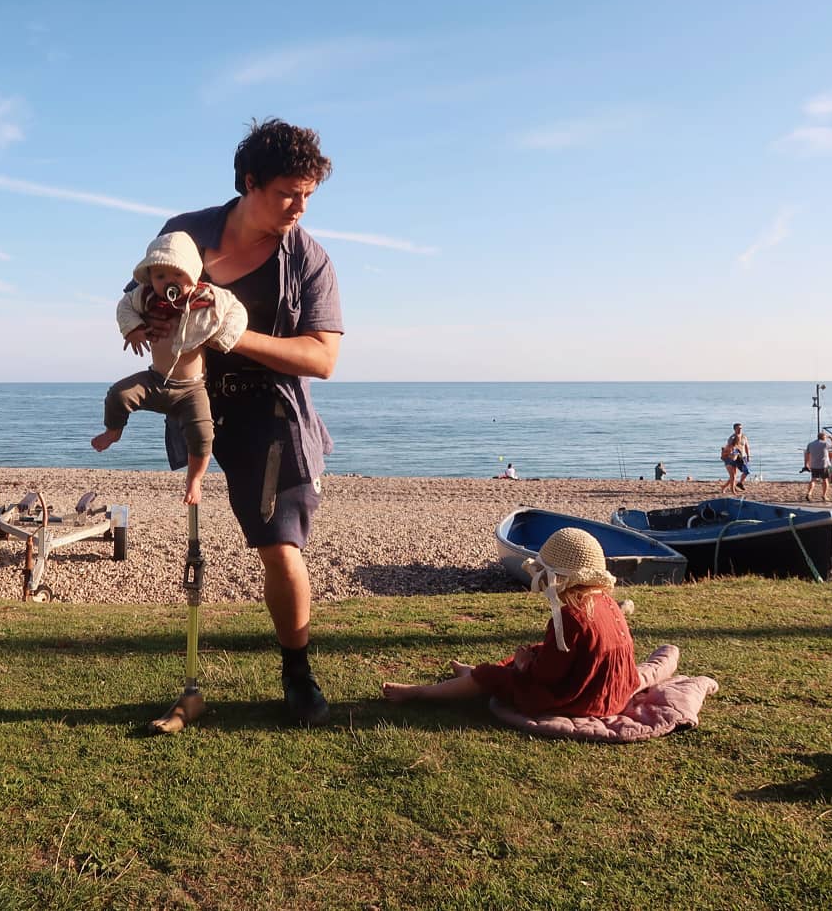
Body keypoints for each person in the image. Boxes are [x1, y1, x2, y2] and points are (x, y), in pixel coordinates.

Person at [139, 118, 341, 727]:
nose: (300, 207)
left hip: (271, 411)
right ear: (249, 182)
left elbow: (322, 358)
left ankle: (297, 673)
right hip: (197, 397)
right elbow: (146, 302)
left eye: (309, 194)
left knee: (280, 545)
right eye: (287, 192)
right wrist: (149, 325)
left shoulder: (308, 257)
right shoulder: (184, 236)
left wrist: (236, 333)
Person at [382, 528, 640, 719]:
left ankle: (421, 692)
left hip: (580, 701)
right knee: (538, 650)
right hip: (613, 695)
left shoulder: (570, 619)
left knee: (494, 675)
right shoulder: (605, 603)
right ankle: (470, 676)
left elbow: (546, 676)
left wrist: (522, 666)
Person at [91, 231, 248, 504]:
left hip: (191, 388)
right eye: (160, 276)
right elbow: (124, 306)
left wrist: (223, 338)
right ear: (150, 278)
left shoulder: (207, 298)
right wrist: (133, 329)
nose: (168, 283)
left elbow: (237, 311)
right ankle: (114, 430)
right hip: (155, 380)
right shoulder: (147, 298)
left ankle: (195, 479)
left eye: (177, 276)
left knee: (202, 434)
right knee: (118, 395)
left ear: (193, 274)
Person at [804, 430, 832, 501]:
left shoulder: (810, 444)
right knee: (825, 480)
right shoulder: (825, 444)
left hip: (814, 465)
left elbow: (807, 454)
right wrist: (831, 437)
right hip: (823, 465)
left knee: (813, 480)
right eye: (825, 437)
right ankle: (824, 495)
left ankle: (809, 493)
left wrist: (806, 464)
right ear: (823, 437)